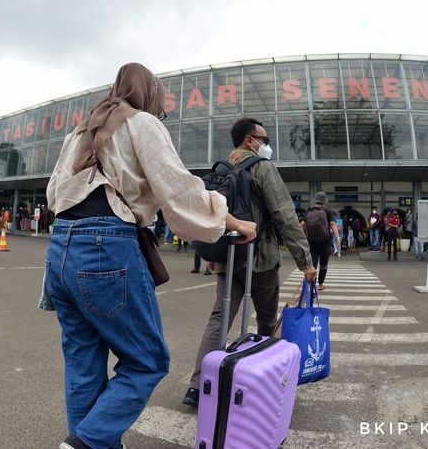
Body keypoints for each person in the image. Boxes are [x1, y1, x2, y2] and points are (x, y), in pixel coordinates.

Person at [38, 63, 256, 449]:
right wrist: (232, 221)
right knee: (147, 361)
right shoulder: (142, 123)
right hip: (106, 246)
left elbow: (55, 194)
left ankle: (94, 442)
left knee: (83, 362)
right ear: (148, 93)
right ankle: (86, 443)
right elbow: (178, 189)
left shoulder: (79, 132)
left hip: (61, 246)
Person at [184, 116, 316, 409]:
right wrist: (305, 261)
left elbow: (209, 215)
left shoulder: (221, 169)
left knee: (219, 320)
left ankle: (198, 386)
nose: (266, 145)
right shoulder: (262, 167)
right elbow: (285, 215)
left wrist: (210, 255)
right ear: (250, 141)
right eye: (264, 140)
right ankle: (260, 383)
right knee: (267, 321)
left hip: (229, 258)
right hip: (261, 258)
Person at [302, 191, 338, 290]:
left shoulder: (309, 210)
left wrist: (304, 236)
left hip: (312, 242)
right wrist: (337, 238)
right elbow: (333, 224)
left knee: (312, 264)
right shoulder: (328, 211)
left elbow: (302, 224)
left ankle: (311, 284)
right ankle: (320, 284)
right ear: (325, 202)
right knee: (323, 264)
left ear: (315, 201)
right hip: (325, 242)